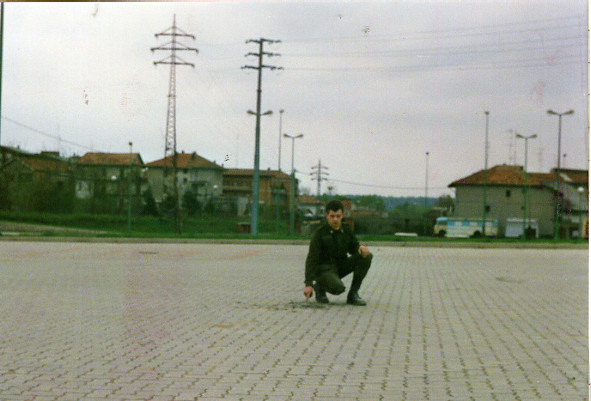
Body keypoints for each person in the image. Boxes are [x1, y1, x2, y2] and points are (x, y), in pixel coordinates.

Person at [303, 199, 373, 306]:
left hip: (340, 266)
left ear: (342, 215)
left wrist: (361, 248)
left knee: (366, 257)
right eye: (332, 216)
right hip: (324, 269)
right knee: (338, 288)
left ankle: (353, 294)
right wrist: (308, 284)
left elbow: (354, 247)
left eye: (338, 216)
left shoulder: (346, 229)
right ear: (326, 215)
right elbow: (311, 259)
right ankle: (319, 287)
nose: (335, 219)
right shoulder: (320, 234)